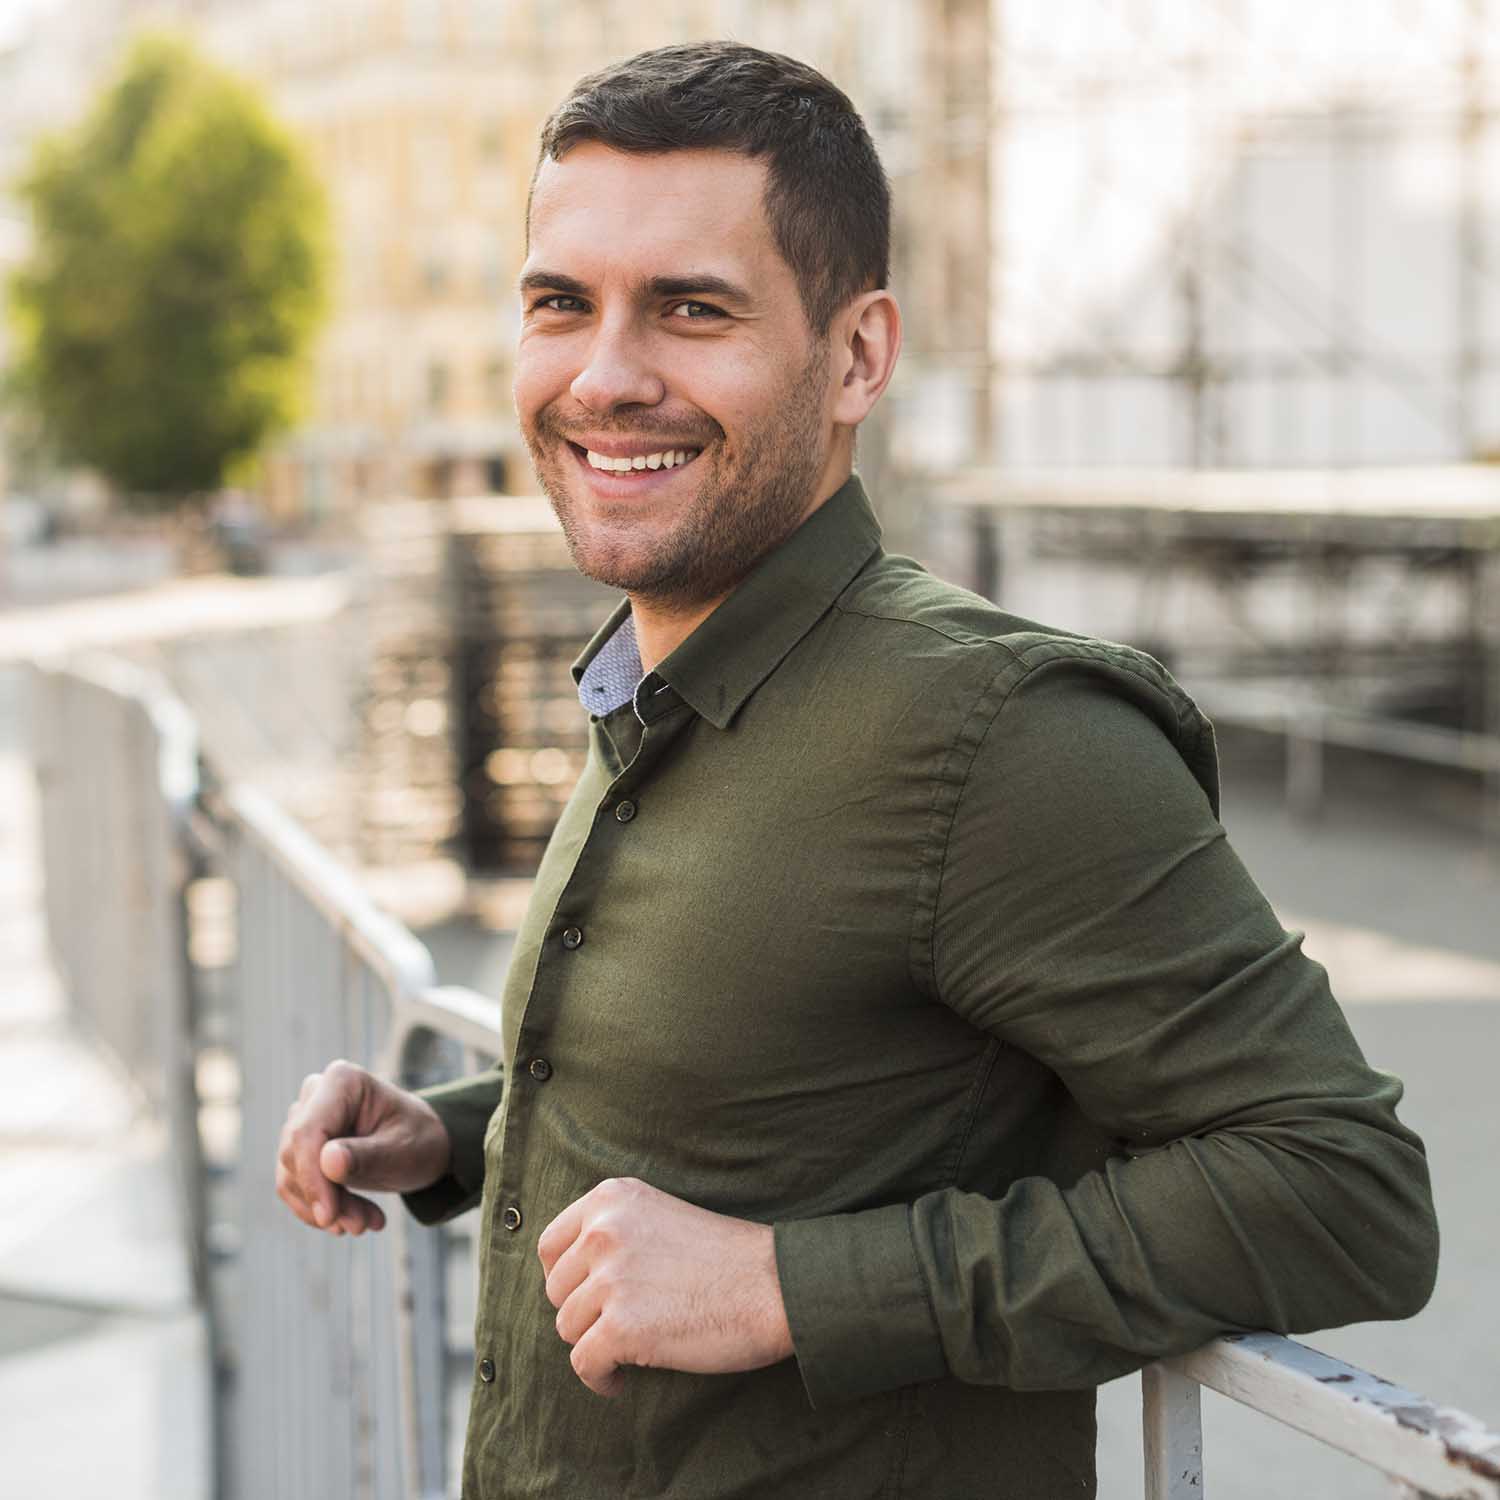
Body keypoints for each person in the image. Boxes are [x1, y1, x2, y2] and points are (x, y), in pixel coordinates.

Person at [276, 40, 1439, 1499]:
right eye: (560, 304)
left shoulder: (1001, 734)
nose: (606, 374)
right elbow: (775, 1095)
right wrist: (450, 1138)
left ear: (859, 354)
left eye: (692, 310)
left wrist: (789, 1290)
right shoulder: (654, 676)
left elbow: (1347, 1191)